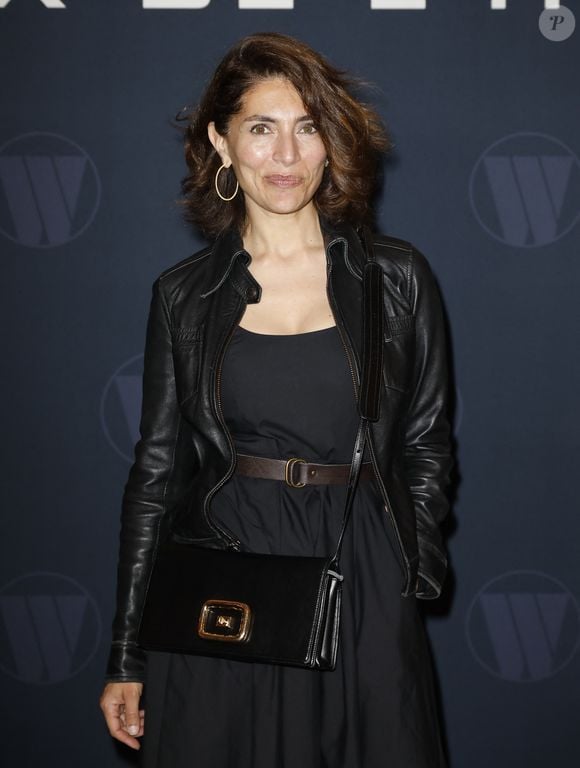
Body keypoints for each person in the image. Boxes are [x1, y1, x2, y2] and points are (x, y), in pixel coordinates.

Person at [99, 32, 453, 768]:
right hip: (225, 576)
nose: (286, 155)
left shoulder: (397, 278)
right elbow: (156, 475)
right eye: (261, 128)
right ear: (221, 144)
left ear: (331, 142)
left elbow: (426, 442)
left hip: (359, 571)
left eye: (307, 127)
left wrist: (405, 566)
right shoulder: (183, 296)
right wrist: (128, 650)